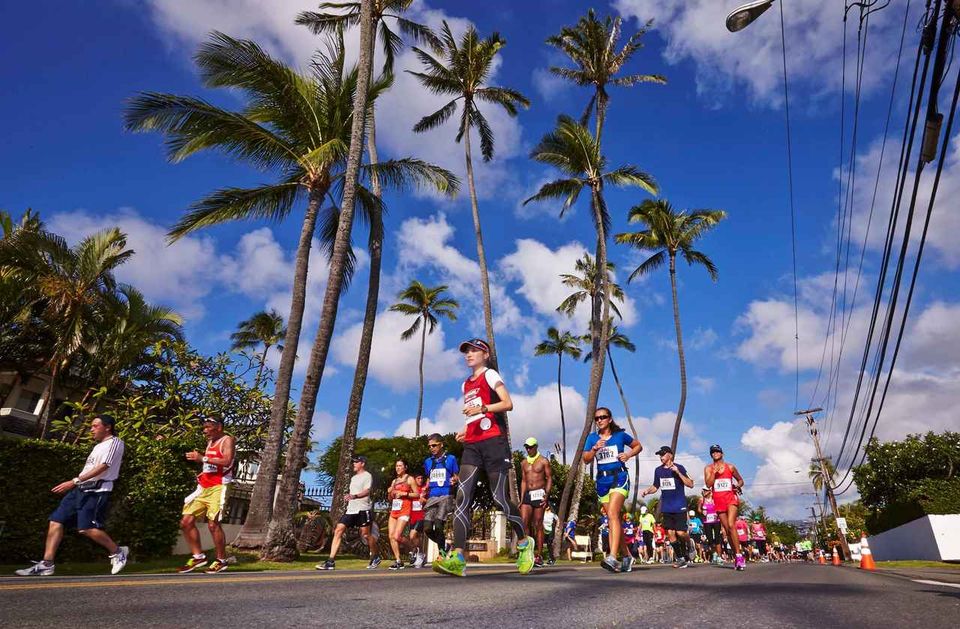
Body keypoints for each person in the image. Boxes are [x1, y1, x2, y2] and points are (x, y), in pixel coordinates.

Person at [434, 338, 534, 577]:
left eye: (474, 350)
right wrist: (465, 429)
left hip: (494, 443)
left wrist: (483, 409)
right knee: (462, 497)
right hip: (472, 444)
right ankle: (458, 557)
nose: (468, 354)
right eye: (466, 351)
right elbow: (472, 414)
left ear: (485, 354)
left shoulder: (490, 375)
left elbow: (507, 403)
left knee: (499, 498)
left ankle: (524, 542)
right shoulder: (465, 385)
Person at [16, 414, 127, 577]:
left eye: (95, 426)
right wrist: (78, 483)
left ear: (108, 427)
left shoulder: (115, 442)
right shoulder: (98, 446)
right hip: (80, 490)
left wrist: (74, 481)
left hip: (96, 491)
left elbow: (104, 466)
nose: (91, 430)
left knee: (86, 528)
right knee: (56, 521)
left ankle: (118, 552)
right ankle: (47, 564)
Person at [583, 407, 642, 573]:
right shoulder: (592, 438)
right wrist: (594, 449)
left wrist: (628, 455)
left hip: (619, 477)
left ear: (609, 419)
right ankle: (627, 555)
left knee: (612, 515)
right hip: (602, 481)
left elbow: (638, 446)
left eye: (603, 417)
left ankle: (612, 557)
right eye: (597, 418)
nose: (599, 420)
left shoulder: (620, 435)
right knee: (612, 519)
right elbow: (586, 459)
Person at [178, 416, 235, 574]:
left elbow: (227, 461)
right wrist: (202, 467)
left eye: (208, 427)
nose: (205, 430)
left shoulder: (227, 440)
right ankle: (198, 557)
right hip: (204, 486)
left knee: (213, 524)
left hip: (219, 486)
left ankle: (221, 560)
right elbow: (210, 463)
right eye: (204, 427)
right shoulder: (210, 442)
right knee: (186, 521)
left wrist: (202, 458)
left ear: (219, 427)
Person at [316, 455, 380, 571]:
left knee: (366, 535)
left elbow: (367, 491)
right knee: (338, 530)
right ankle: (330, 561)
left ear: (362, 464)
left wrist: (354, 496)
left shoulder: (367, 476)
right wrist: (349, 497)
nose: (353, 464)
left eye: (356, 462)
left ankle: (375, 556)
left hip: (363, 509)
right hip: (351, 510)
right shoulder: (353, 478)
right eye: (353, 462)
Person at [641, 445, 695, 568]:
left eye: (663, 454)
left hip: (679, 506)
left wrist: (678, 472)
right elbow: (655, 486)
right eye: (659, 455)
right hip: (667, 507)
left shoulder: (680, 467)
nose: (661, 457)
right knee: (670, 533)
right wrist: (647, 491)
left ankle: (689, 542)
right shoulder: (658, 470)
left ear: (670, 455)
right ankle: (681, 558)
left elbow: (691, 484)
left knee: (680, 533)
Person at [704, 445, 746, 570]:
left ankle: (739, 556)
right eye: (712, 452)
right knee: (727, 530)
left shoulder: (730, 467)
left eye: (717, 451)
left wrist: (737, 486)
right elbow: (708, 484)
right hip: (718, 501)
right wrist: (714, 473)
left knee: (731, 524)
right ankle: (736, 554)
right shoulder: (708, 468)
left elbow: (740, 480)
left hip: (731, 498)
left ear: (722, 453)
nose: (715, 453)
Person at [422, 434, 459, 561]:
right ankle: (445, 546)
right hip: (432, 496)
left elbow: (456, 475)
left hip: (446, 495)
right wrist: (425, 488)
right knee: (427, 528)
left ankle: (442, 553)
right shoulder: (428, 461)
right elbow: (429, 477)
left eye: (434, 445)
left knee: (438, 525)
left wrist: (455, 480)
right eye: (429, 446)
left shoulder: (451, 459)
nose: (431, 448)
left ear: (441, 444)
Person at [520, 436, 552, 567]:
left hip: (539, 494)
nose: (528, 449)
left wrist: (547, 495)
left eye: (530, 447)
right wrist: (521, 498)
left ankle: (539, 555)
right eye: (526, 447)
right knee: (524, 522)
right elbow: (523, 481)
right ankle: (528, 552)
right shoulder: (523, 463)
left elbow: (549, 478)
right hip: (528, 494)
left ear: (536, 447)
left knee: (538, 523)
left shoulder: (543, 461)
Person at [387, 459, 419, 571]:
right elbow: (390, 498)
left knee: (397, 536)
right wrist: (390, 492)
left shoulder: (409, 479)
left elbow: (417, 494)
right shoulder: (394, 481)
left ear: (405, 467)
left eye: (400, 466)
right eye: (396, 466)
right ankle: (398, 561)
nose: (398, 468)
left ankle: (413, 549)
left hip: (405, 510)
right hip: (394, 510)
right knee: (391, 536)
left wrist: (404, 493)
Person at [407, 473, 428, 568]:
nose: (420, 480)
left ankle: (419, 553)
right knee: (415, 537)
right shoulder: (411, 490)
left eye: (421, 478)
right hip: (412, 516)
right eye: (418, 478)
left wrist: (424, 500)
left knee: (413, 535)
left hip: (421, 516)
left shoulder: (425, 489)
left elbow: (430, 501)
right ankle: (419, 553)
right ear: (414, 480)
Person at [701, 487, 723, 564]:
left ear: (710, 491)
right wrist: (702, 512)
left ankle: (719, 557)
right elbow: (698, 509)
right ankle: (714, 553)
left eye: (705, 490)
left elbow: (720, 507)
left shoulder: (715, 499)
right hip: (707, 521)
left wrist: (717, 513)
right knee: (710, 539)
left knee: (717, 539)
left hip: (716, 520)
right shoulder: (701, 500)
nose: (704, 491)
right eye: (703, 490)